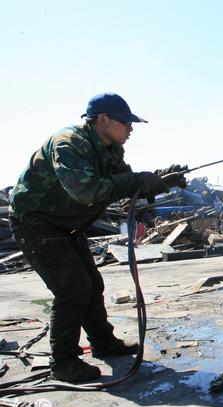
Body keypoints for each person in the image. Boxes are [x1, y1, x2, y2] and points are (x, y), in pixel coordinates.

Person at [9, 93, 186, 382]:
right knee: (73, 288)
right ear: (103, 119)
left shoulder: (110, 149)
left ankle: (102, 342)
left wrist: (160, 179)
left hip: (66, 225)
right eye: (126, 122)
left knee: (93, 283)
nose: (131, 129)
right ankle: (63, 363)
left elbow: (125, 183)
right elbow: (87, 191)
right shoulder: (69, 143)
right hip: (37, 223)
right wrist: (136, 180)